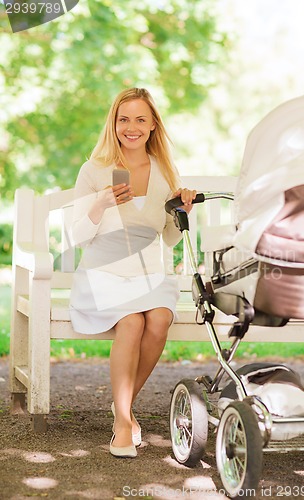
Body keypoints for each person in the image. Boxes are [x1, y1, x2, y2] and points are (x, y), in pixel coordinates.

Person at [69, 87, 196, 458]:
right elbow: (78, 237)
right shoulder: (94, 170)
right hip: (102, 272)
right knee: (131, 322)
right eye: (124, 119)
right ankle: (124, 420)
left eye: (141, 119)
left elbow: (170, 239)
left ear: (153, 124)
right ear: (114, 123)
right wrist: (102, 202)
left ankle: (121, 406)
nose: (132, 127)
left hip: (148, 274)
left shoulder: (164, 171)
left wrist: (184, 209)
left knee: (158, 318)